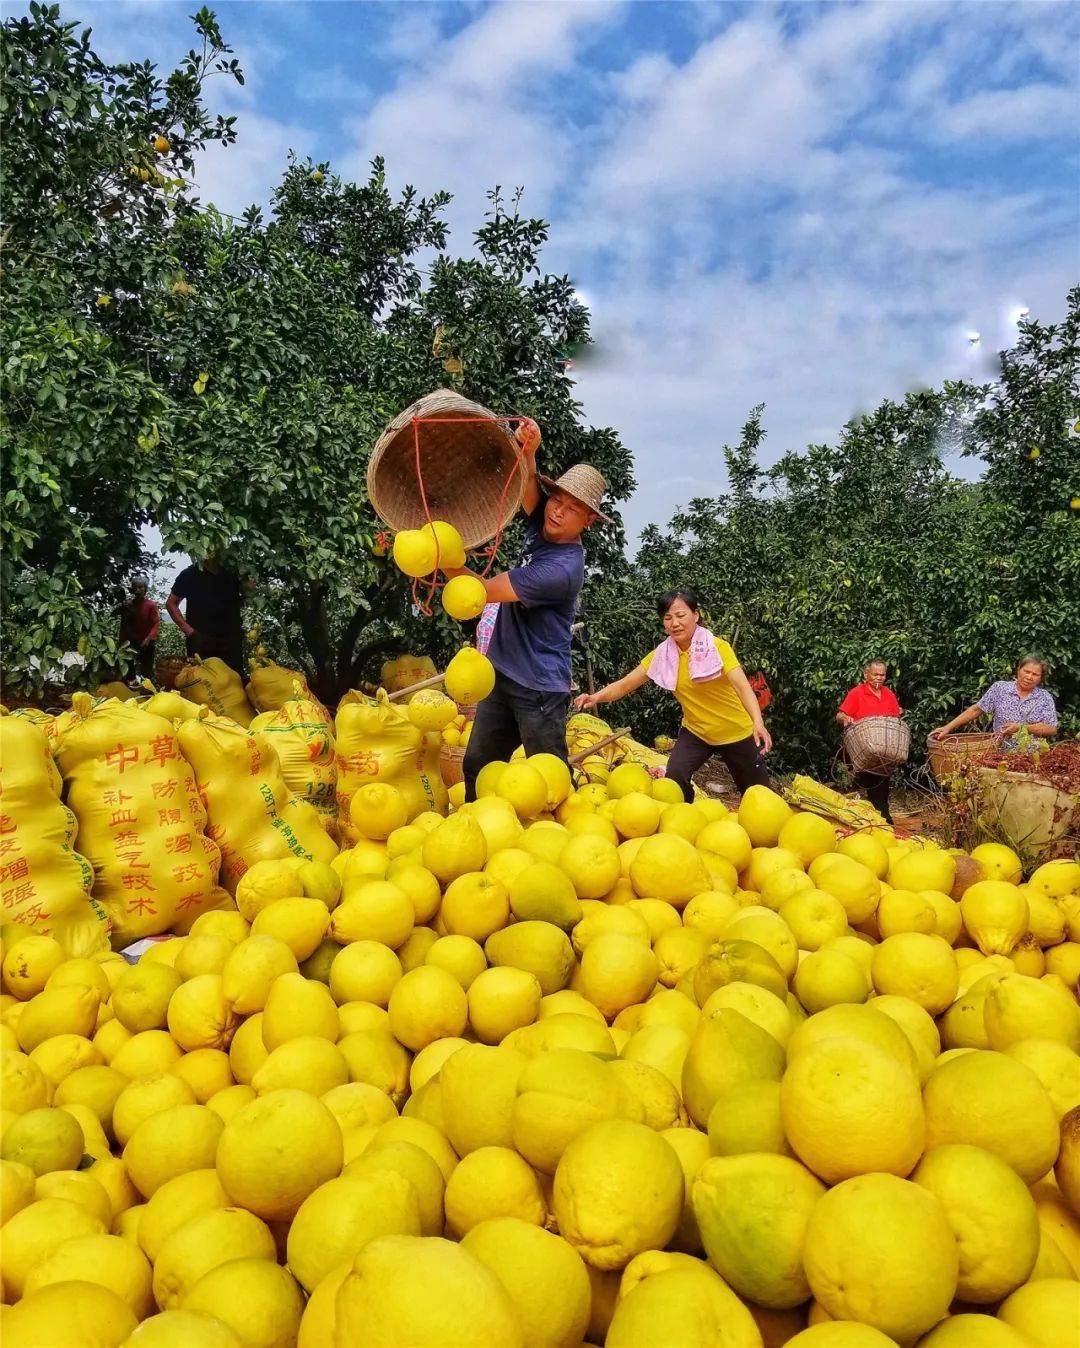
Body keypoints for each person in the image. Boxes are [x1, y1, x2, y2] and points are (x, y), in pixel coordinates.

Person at [444, 418, 610, 801]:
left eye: (572, 510)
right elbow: (530, 489)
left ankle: (556, 844)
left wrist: (437, 553)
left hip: (538, 686)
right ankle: (478, 834)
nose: (557, 512)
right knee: (478, 767)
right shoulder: (546, 523)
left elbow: (483, 591)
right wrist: (529, 450)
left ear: (587, 522)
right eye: (558, 500)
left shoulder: (561, 570)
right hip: (500, 673)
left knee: (547, 781)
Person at [574, 588, 772, 800]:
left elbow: (743, 687)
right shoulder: (663, 655)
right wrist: (595, 697)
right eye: (667, 618)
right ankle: (684, 817)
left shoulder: (717, 648)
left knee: (759, 796)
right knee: (675, 778)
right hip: (697, 732)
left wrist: (757, 723)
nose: (674, 623)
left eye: (680, 615)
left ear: (696, 615)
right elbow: (625, 685)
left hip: (736, 731)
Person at [930, 656, 1058, 748]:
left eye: (1035, 674)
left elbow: (1051, 729)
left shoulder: (1044, 697)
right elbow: (976, 709)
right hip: (998, 753)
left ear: (1041, 678)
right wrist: (947, 728)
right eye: (1027, 671)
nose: (1029, 677)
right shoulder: (1000, 688)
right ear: (1018, 670)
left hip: (1032, 756)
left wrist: (1021, 728)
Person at [837, 658, 902, 822]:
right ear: (866, 674)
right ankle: (880, 818)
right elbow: (839, 715)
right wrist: (846, 718)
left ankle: (881, 817)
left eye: (882, 675)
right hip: (864, 749)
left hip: (884, 752)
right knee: (871, 785)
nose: (879, 678)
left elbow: (895, 720)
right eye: (875, 674)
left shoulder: (889, 694)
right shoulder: (857, 693)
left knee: (882, 786)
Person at [165, 555, 245, 675]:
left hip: (230, 639)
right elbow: (171, 603)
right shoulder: (189, 574)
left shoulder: (233, 572)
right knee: (202, 682)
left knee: (234, 680)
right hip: (201, 639)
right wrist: (189, 631)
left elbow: (251, 590)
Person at [118, 575, 160, 683]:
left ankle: (148, 691)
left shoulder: (151, 605)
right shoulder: (128, 605)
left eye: (141, 587)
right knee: (129, 670)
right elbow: (124, 624)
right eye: (135, 587)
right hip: (131, 643)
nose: (138, 590)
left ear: (146, 589)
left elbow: (155, 624)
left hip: (146, 642)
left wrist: (149, 638)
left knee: (146, 671)